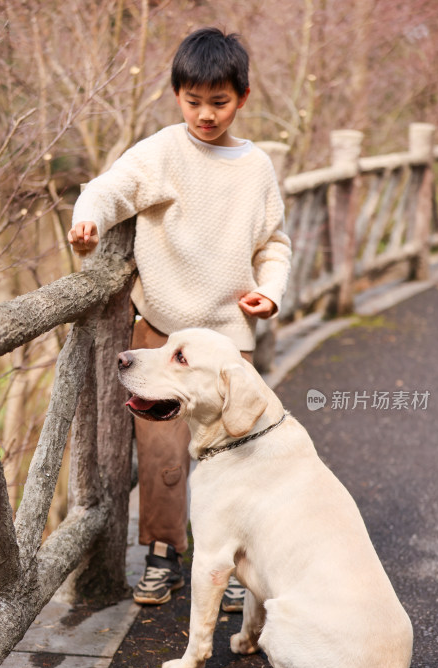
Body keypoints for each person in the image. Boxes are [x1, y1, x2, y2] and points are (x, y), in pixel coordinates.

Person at [68, 27, 291, 610]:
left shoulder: (256, 167)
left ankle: (240, 563)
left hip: (225, 345)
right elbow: (111, 188)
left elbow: (274, 244)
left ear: (242, 97)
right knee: (164, 453)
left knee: (238, 452)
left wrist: (270, 291)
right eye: (193, 102)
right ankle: (164, 554)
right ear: (177, 96)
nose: (205, 115)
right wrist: (89, 217)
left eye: (218, 102)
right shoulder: (165, 150)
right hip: (162, 339)